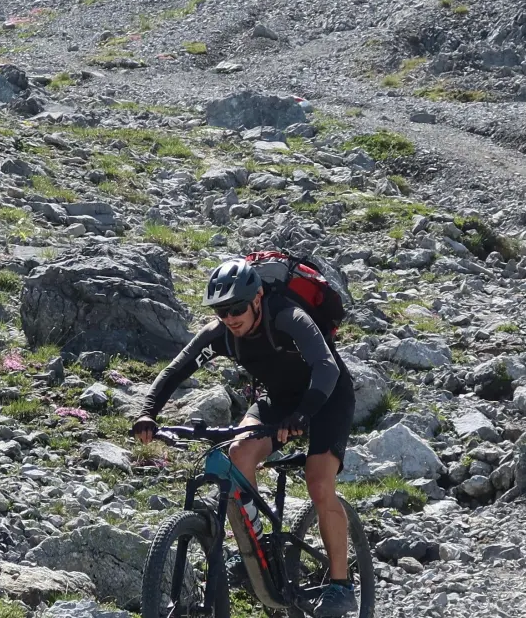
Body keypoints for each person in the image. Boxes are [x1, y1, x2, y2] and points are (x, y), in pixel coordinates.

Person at [132, 259, 358, 618]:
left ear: (258, 298)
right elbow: (177, 369)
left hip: (327, 397)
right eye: (222, 310)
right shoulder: (220, 334)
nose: (230, 317)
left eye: (237, 307)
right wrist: (148, 412)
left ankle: (341, 585)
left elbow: (326, 367)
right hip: (279, 401)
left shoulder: (287, 317)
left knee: (318, 483)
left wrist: (303, 414)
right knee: (238, 452)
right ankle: (256, 551)